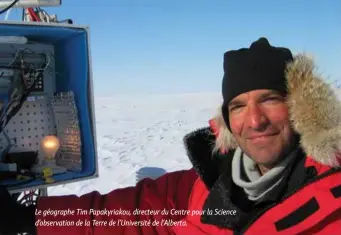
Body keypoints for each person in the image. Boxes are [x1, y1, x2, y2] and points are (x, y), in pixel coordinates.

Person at [1, 37, 341, 235]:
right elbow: (124, 214)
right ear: (226, 119)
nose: (254, 120)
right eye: (238, 105)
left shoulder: (332, 198)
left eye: (269, 99)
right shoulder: (204, 188)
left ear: (301, 106)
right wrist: (31, 218)